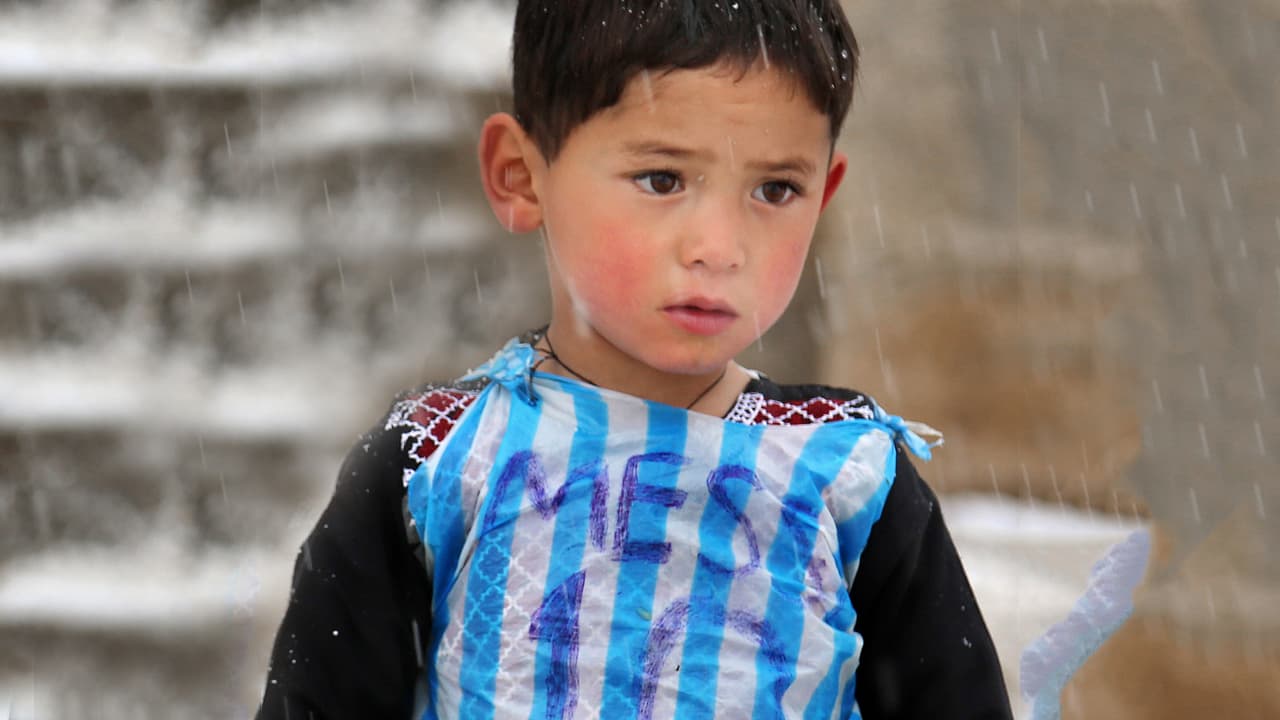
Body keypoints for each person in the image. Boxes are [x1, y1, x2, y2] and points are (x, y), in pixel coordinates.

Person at [255, 1, 1012, 718]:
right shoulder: (439, 461)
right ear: (521, 175)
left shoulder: (845, 476)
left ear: (826, 194)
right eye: (662, 179)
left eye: (776, 189)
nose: (719, 248)